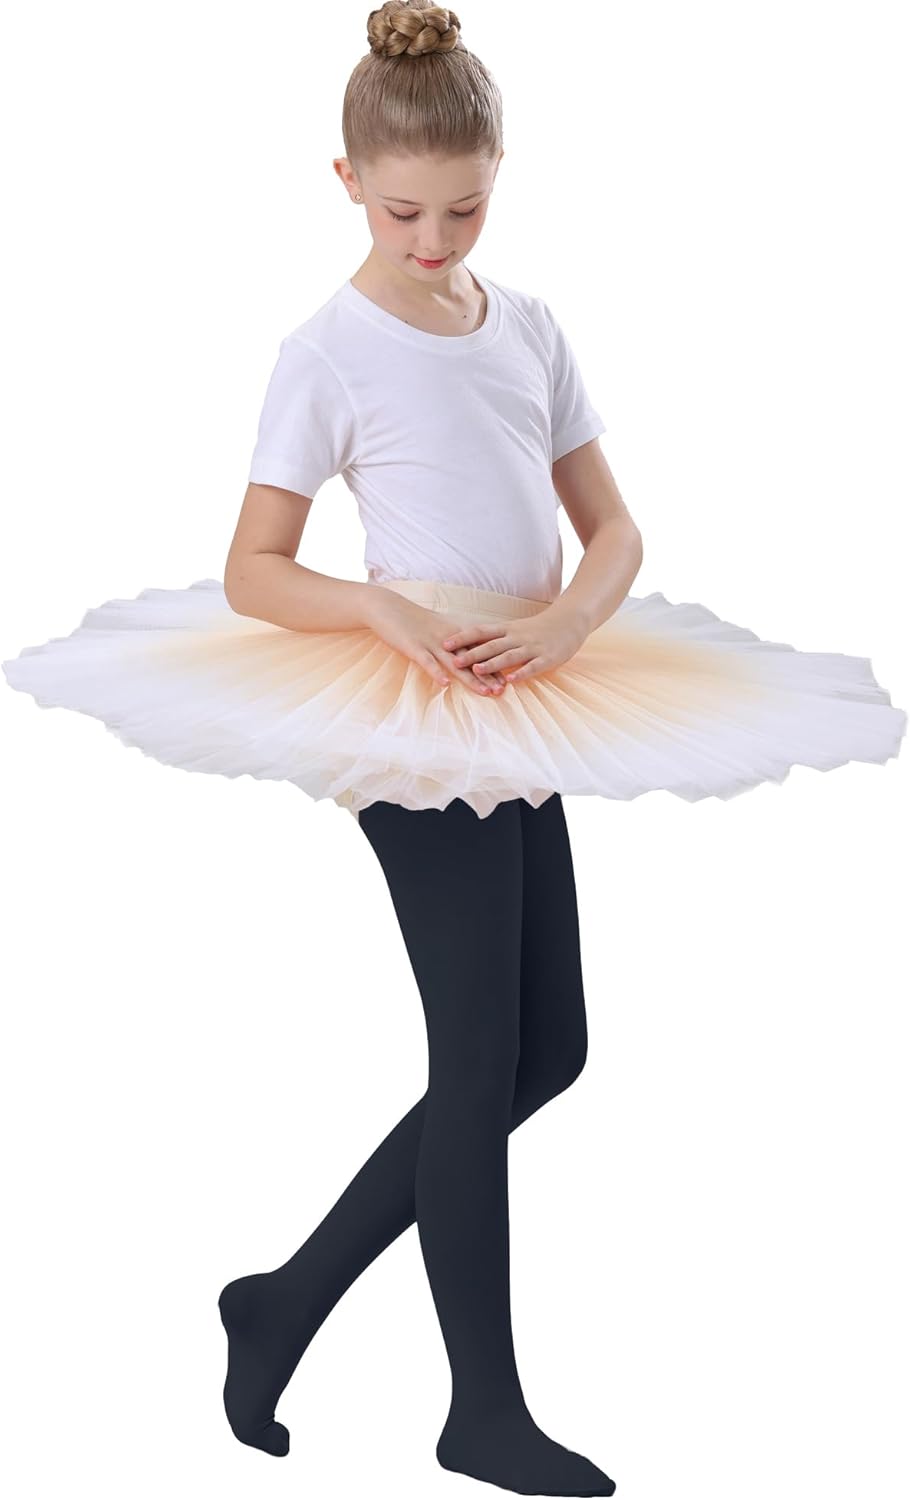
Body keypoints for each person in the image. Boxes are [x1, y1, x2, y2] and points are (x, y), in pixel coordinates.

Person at [2, 3, 905, 1496]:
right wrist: (380, 607)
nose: (434, 241)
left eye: (464, 210)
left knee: (550, 1050)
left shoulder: (529, 326)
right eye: (404, 211)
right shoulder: (326, 350)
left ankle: (282, 1299)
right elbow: (252, 569)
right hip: (412, 712)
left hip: (528, 687)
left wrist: (568, 622)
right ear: (346, 182)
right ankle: (479, 1408)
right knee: (480, 1058)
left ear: (500, 177)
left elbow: (612, 527)